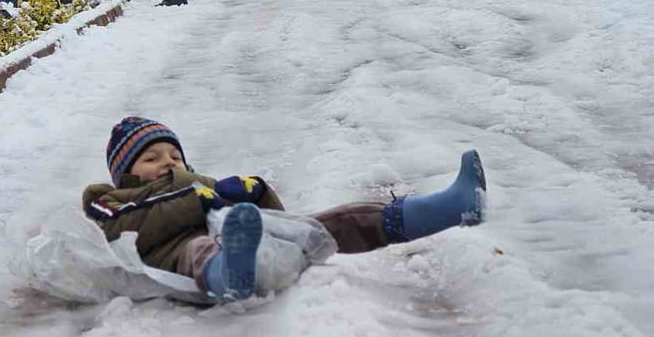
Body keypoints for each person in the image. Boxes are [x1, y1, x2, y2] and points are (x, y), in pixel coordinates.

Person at [82, 116, 486, 302]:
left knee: (331, 222)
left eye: (174, 155)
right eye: (151, 158)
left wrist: (257, 193)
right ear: (124, 172)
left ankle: (448, 207)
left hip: (231, 236)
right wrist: (198, 197)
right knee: (201, 249)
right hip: (174, 257)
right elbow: (118, 228)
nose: (168, 163)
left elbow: (275, 218)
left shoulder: (199, 183)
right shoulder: (109, 199)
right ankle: (230, 277)